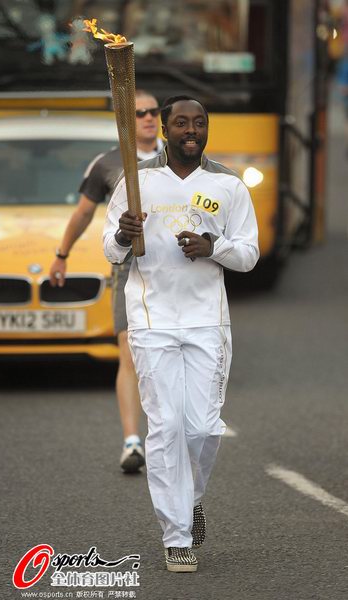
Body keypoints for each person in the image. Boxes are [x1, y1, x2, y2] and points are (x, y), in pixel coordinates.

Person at [103, 95, 259, 572]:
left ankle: (190, 498)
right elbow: (110, 251)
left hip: (208, 322)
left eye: (200, 123)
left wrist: (215, 247)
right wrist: (125, 236)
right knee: (166, 425)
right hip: (151, 322)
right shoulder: (137, 180)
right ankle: (177, 536)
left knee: (204, 427)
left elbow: (249, 255)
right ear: (166, 129)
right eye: (181, 123)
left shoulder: (228, 185)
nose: (191, 130)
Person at [49, 90, 163, 473]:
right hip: (129, 268)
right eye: (140, 114)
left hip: (173, 271)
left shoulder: (177, 160)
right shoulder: (108, 164)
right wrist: (62, 255)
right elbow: (83, 214)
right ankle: (133, 442)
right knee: (129, 352)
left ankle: (169, 434)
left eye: (153, 112)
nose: (149, 118)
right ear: (126, 121)